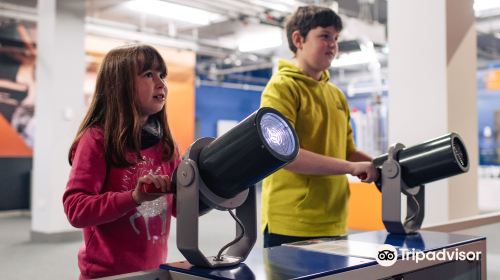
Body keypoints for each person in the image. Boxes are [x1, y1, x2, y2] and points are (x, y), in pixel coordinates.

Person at [260, 5, 378, 248]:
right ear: (298, 39)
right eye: (324, 35)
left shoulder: (336, 95)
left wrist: (383, 166)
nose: (333, 44)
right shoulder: (281, 88)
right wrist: (350, 167)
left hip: (335, 220)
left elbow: (347, 150)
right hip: (292, 223)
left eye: (335, 38)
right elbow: (287, 156)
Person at [62, 44, 180, 279]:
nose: (161, 83)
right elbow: (76, 209)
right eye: (148, 74)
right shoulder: (96, 139)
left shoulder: (166, 145)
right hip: (106, 275)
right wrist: (134, 198)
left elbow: (179, 207)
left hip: (154, 271)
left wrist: (214, 188)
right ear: (121, 85)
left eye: (162, 75)